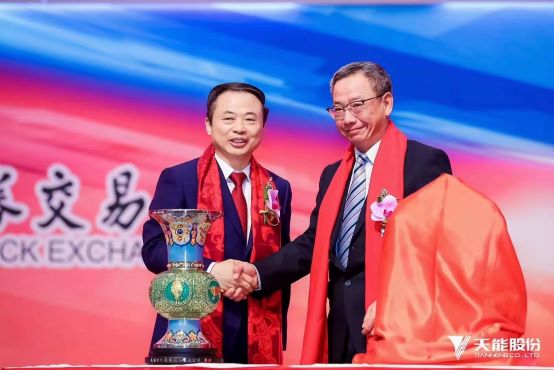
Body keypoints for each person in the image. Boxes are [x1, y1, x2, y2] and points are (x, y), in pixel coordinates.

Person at [233, 61, 452, 363]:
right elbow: (314, 244)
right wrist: (257, 274)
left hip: (399, 322)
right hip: (341, 324)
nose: (347, 118)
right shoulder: (333, 175)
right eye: (338, 109)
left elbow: (438, 247)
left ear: (386, 102)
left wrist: (393, 299)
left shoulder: (423, 162)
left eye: (358, 105)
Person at [142, 82, 292, 364]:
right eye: (228, 118)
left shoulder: (278, 188)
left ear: (262, 126)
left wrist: (255, 281)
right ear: (208, 125)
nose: (239, 128)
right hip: (190, 333)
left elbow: (282, 259)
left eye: (250, 119)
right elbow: (154, 249)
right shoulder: (180, 178)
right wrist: (211, 271)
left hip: (257, 333)